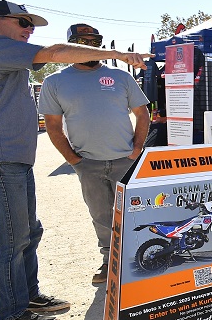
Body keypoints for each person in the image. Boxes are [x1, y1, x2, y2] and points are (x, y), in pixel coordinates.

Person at [0, 0, 148, 320]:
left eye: (32, 25)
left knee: (26, 232)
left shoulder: (1, 51)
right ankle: (10, 311)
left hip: (12, 158)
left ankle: (27, 296)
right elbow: (54, 54)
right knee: (11, 237)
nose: (29, 29)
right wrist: (120, 55)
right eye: (22, 22)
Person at [38, 24, 150, 286]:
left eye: (93, 41)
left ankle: (142, 260)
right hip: (89, 164)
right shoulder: (55, 82)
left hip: (126, 162)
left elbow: (142, 114)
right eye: (82, 42)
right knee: (101, 216)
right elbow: (53, 127)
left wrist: (136, 150)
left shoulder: (121, 78)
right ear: (70, 46)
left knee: (138, 213)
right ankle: (109, 262)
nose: (89, 46)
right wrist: (74, 161)